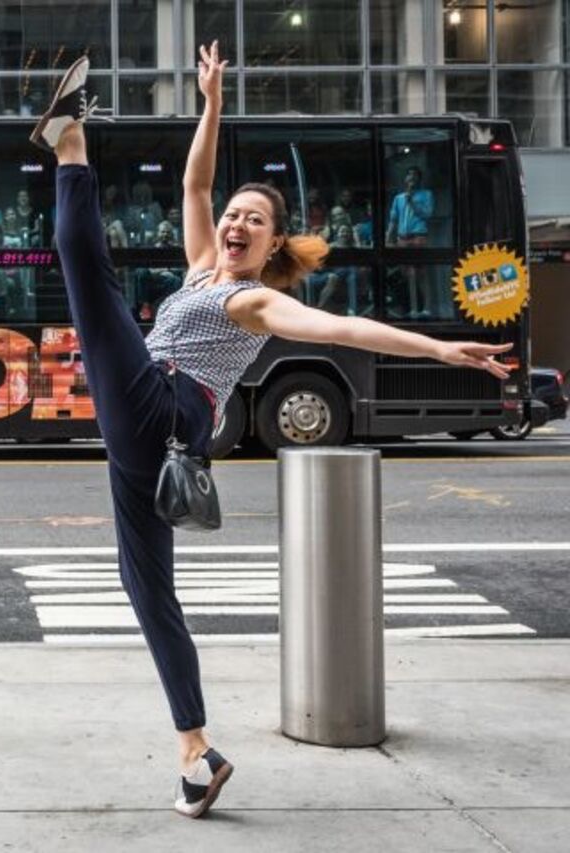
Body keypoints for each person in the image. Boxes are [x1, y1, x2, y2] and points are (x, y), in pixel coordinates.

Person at [28, 44, 511, 820]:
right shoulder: (199, 271)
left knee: (88, 271)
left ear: (273, 242)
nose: (235, 222)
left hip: (165, 408)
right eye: (232, 214)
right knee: (147, 591)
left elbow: (344, 326)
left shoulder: (254, 301)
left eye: (253, 218)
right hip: (153, 443)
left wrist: (440, 346)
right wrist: (212, 103)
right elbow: (193, 182)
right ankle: (196, 753)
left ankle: (70, 138)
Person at [386, 166, 436, 319]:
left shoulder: (426, 194)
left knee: (421, 274)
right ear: (405, 179)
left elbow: (428, 214)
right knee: (409, 275)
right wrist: (388, 239)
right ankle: (414, 308)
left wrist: (413, 202)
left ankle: (427, 309)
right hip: (402, 238)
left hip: (418, 237)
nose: (412, 178)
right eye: (409, 175)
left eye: (415, 176)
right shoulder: (399, 198)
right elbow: (393, 220)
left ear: (419, 179)